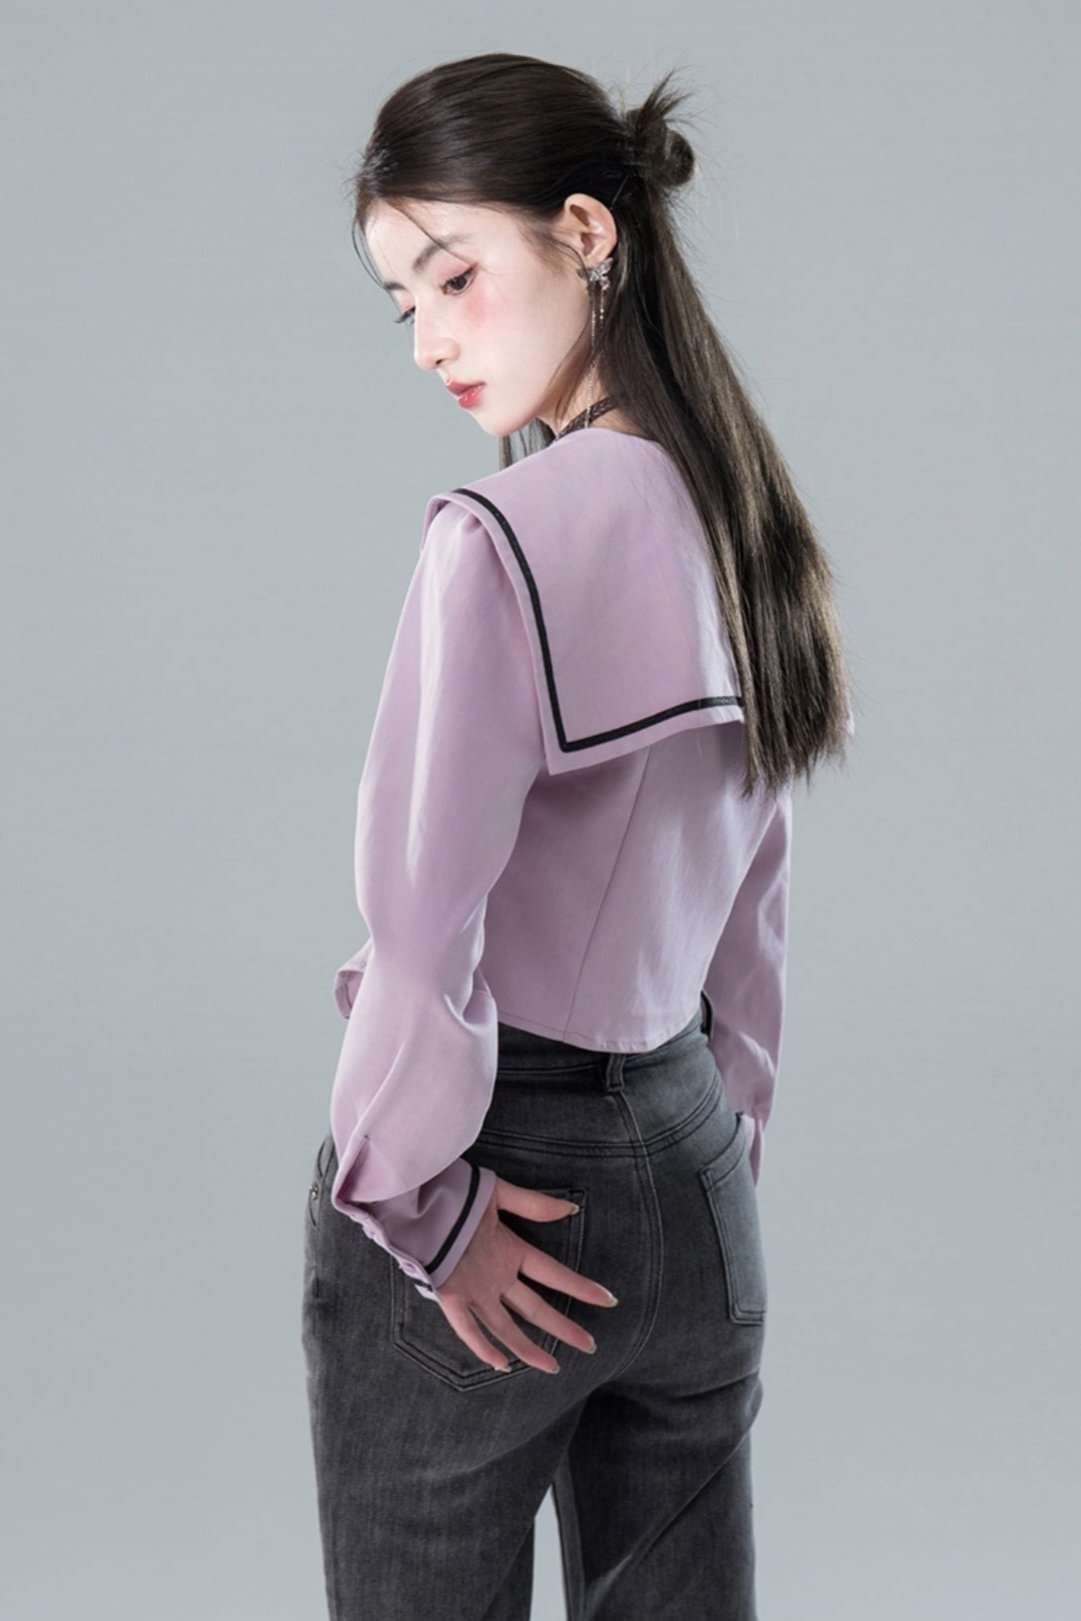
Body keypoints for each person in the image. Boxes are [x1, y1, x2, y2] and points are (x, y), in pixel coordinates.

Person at [301, 52, 855, 1621]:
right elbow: (753, 903)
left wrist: (418, 1209)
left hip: (499, 1173)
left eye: (453, 275)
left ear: (586, 233)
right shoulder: (749, 522)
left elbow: (422, 933)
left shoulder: (492, 539)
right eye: (402, 304)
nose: (430, 338)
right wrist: (706, 1169)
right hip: (688, 1168)